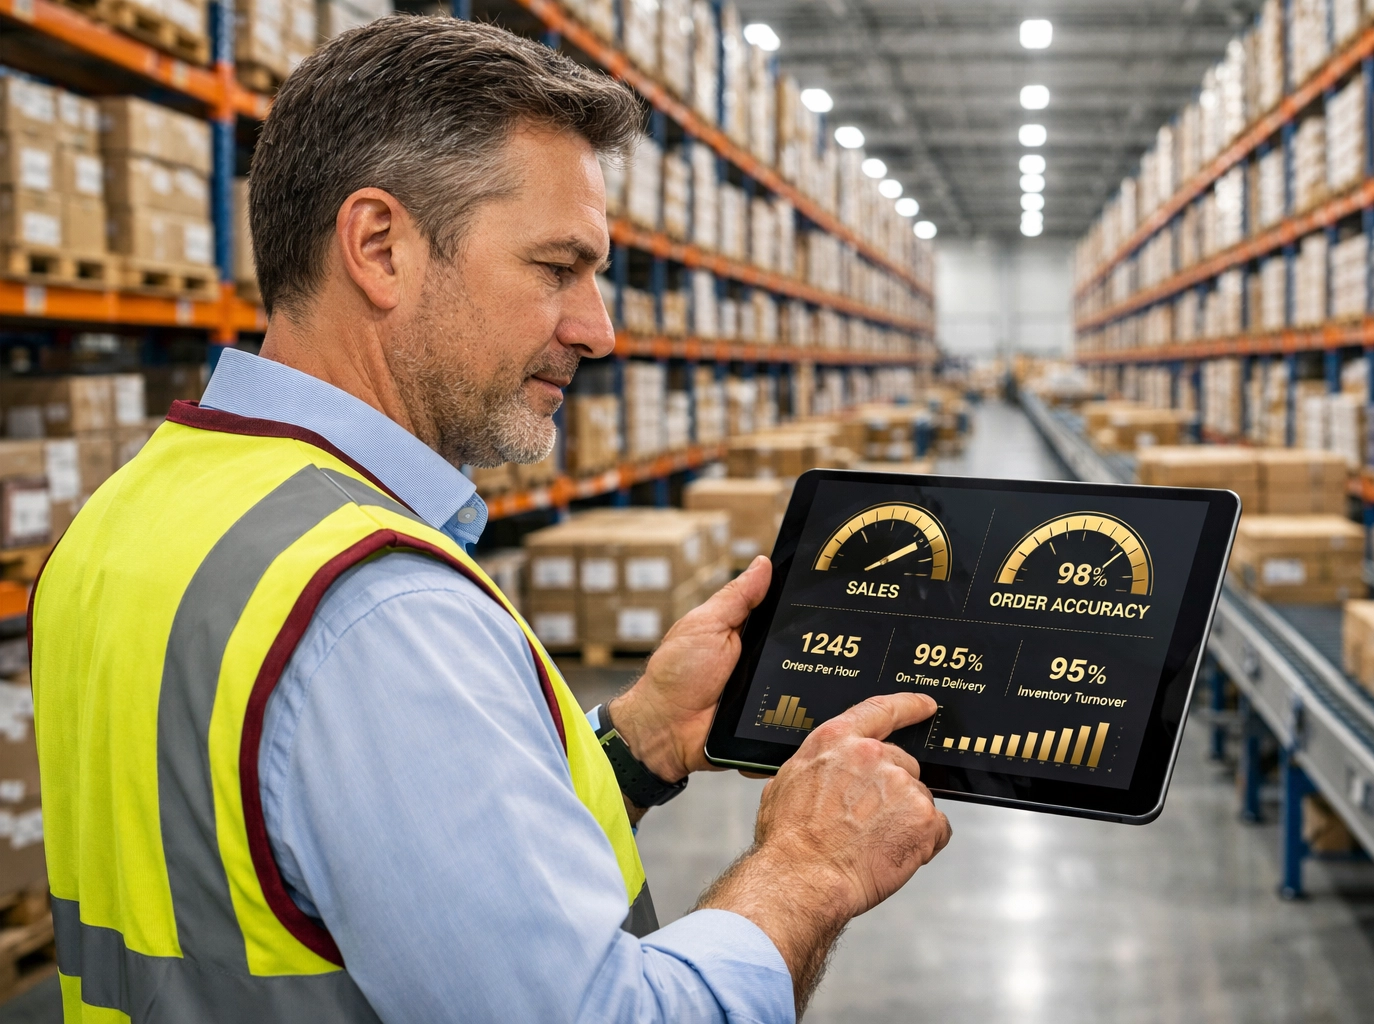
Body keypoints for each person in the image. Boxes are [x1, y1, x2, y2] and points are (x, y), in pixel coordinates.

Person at [30, 16, 951, 1023]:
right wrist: (810, 867)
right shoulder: (375, 610)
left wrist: (639, 740)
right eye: (556, 268)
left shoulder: (126, 515)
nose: (599, 329)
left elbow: (342, 867)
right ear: (379, 247)